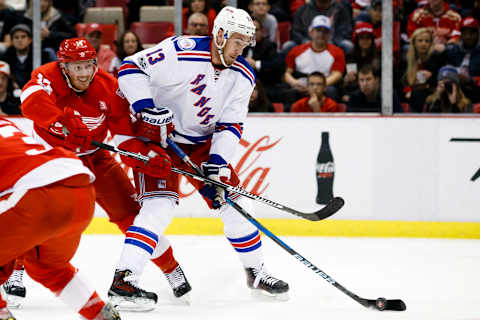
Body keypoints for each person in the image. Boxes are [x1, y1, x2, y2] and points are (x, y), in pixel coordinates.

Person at [116, 6, 289, 299]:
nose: (242, 48)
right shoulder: (180, 51)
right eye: (237, 40)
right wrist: (146, 108)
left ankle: (256, 272)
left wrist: (218, 162)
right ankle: (124, 280)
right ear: (220, 35)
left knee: (235, 206)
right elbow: (130, 68)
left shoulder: (244, 75)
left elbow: (231, 123)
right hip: (160, 139)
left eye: (246, 42)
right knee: (158, 208)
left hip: (203, 145)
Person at [20, 37, 191, 311]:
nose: (85, 73)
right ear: (63, 68)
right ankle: (15, 272)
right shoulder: (46, 75)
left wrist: (147, 157)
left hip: (95, 158)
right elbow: (30, 101)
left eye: (88, 65)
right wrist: (60, 123)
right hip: (52, 161)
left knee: (133, 216)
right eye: (77, 67)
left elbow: (123, 134)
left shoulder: (109, 87)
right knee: (34, 215)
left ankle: (171, 268)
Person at [0, 117, 121, 320]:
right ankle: (100, 314)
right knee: (48, 268)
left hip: (37, 195)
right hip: (79, 190)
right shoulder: (5, 122)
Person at [284, 15, 345, 104]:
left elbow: (337, 75)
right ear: (311, 32)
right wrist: (294, 82)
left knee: (332, 91)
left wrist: (317, 86)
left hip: (324, 85)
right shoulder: (296, 51)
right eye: (318, 30)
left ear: (329, 35)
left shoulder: (337, 52)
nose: (321, 34)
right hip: (301, 84)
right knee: (289, 93)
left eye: (325, 32)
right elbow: (286, 73)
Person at [0, 24, 53, 89]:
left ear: (30, 40)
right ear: (12, 41)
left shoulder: (43, 56)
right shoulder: (5, 58)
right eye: (16, 37)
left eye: (23, 37)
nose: (20, 40)